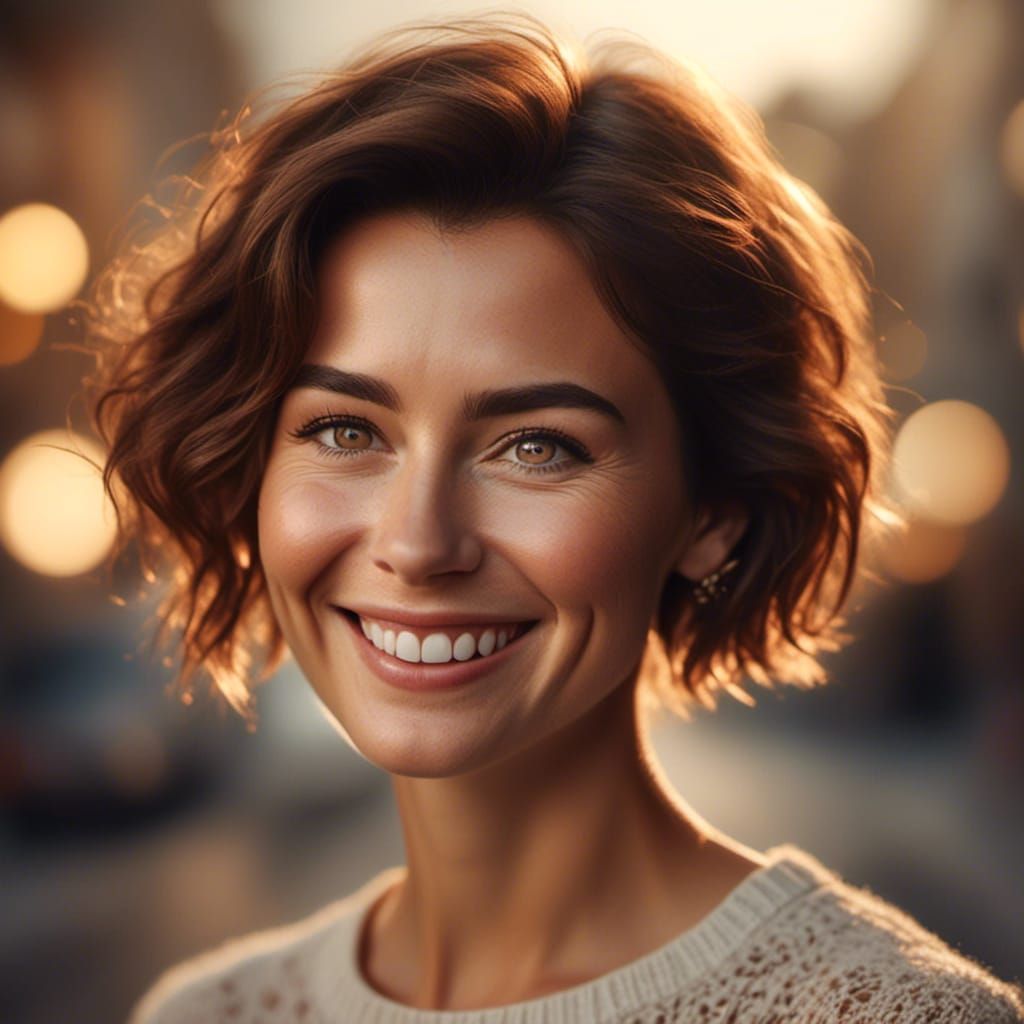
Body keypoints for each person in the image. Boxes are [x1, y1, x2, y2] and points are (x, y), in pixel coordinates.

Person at [84, 13, 1024, 1023]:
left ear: (714, 511)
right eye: (347, 430)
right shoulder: (206, 1011)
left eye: (537, 446)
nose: (414, 543)